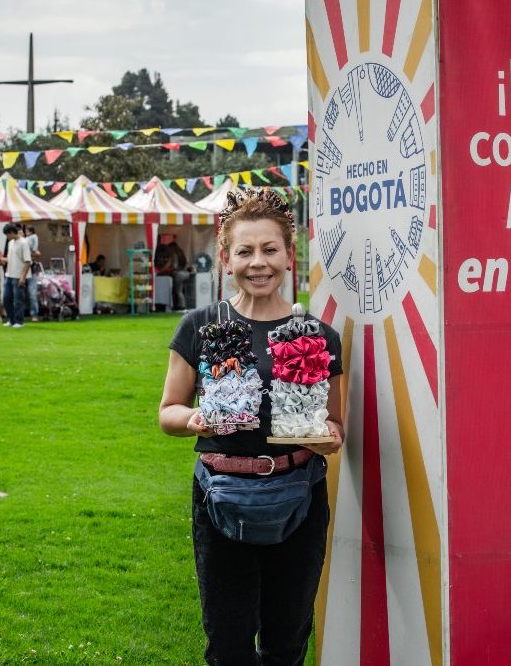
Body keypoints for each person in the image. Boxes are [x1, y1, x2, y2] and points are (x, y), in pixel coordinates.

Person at [159, 189, 345, 665]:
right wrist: (194, 419)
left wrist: (328, 436)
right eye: (245, 251)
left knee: (287, 638)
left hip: (299, 495)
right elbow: (168, 412)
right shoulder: (201, 327)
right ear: (226, 258)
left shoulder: (318, 337)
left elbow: (334, 423)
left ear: (289, 256)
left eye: (269, 249)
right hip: (220, 497)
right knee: (228, 642)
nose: (258, 262)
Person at [0, 223, 31, 328]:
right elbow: (10, 258)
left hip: (18, 276)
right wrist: (2, 260)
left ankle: (19, 321)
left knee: (18, 300)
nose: (7, 237)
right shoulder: (10, 243)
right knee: (6, 299)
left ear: (12, 232)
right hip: (9, 274)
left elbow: (28, 261)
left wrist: (23, 277)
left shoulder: (24, 243)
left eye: (7, 234)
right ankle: (12, 320)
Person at [155, 233, 191, 310]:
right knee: (181, 290)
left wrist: (161, 271)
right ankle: (180, 305)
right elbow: (187, 263)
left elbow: (172, 265)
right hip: (185, 273)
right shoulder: (181, 252)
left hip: (179, 274)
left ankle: (181, 306)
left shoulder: (173, 253)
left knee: (178, 291)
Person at [25, 226, 41, 321]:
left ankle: (34, 314)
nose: (25, 233)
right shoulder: (24, 240)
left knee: (32, 294)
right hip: (23, 270)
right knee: (23, 294)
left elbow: (36, 250)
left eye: (26, 231)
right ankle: (22, 313)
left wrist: (33, 252)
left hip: (32, 270)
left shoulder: (34, 237)